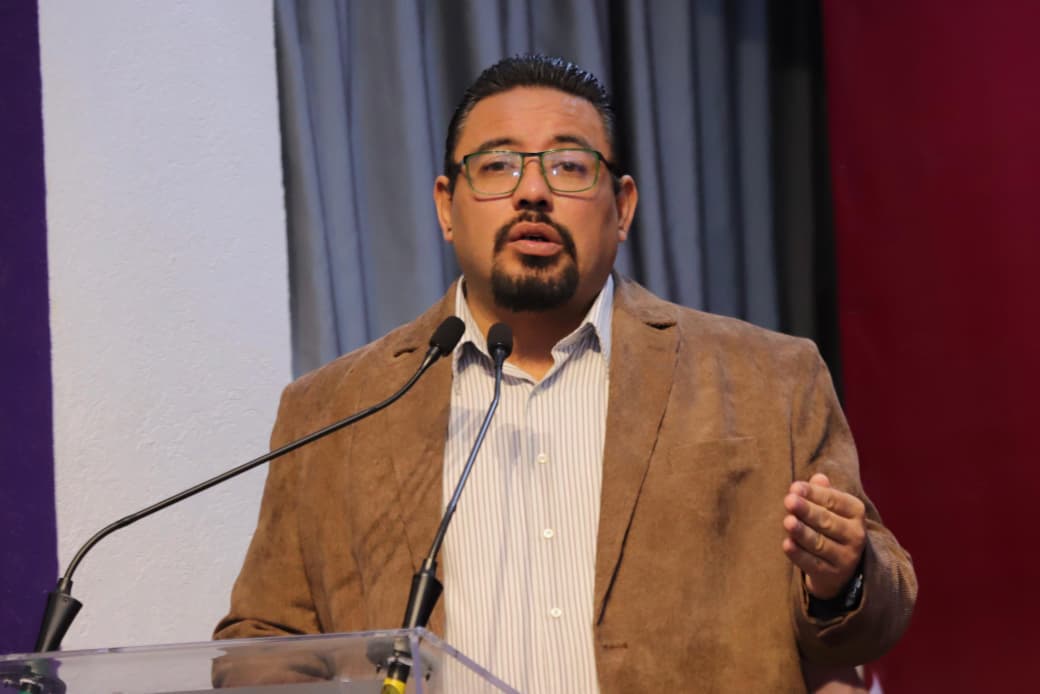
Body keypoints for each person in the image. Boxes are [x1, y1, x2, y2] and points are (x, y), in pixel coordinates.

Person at [214, 55, 916, 693]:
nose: (532, 192)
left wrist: (843, 577)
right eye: (497, 166)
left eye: (569, 167)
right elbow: (264, 642)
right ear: (446, 206)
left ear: (623, 207)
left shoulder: (770, 379)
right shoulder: (336, 409)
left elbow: (874, 618)